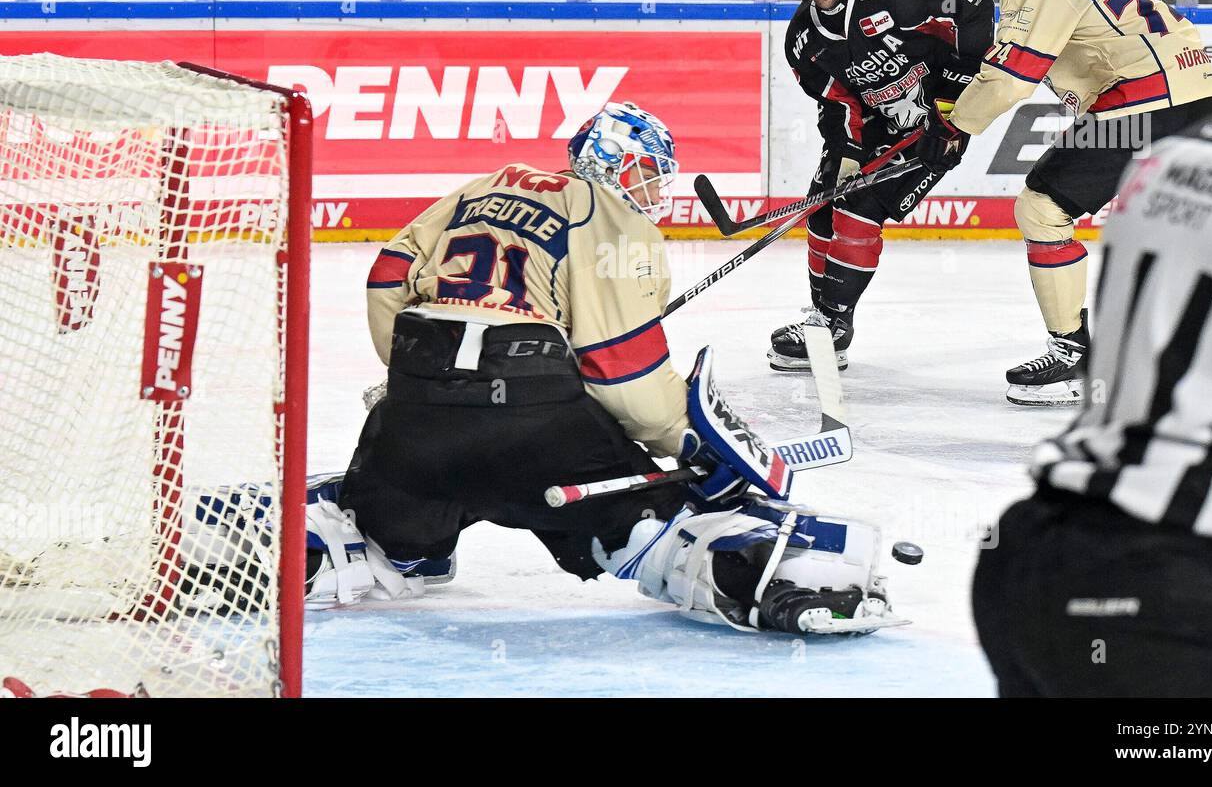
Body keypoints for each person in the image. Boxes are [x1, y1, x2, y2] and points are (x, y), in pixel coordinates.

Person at [302, 101, 904, 635]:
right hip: (530, 429)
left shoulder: (482, 185)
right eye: (646, 174)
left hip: (411, 418)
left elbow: (387, 275)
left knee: (382, 531)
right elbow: (625, 378)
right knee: (659, 531)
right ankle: (763, 575)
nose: (652, 193)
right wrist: (693, 445)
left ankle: (366, 541)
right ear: (612, 164)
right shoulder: (612, 217)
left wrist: (410, 377)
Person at [969, 0, 1212, 697]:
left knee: (1045, 211)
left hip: (1030, 560)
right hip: (1174, 603)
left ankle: (1064, 342)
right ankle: (1063, 345)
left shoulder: (1175, 165)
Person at [922, 0, 1212, 406]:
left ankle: (1071, 358)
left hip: (1144, 107)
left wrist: (953, 127)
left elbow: (1015, 73)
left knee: (1041, 207)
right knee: (1171, 223)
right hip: (1194, 93)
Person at [771, 0, 994, 371]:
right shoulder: (802, 40)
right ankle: (822, 319)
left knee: (859, 211)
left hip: (935, 127)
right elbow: (836, 101)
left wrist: (953, 110)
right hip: (874, 126)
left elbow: (976, 6)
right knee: (823, 207)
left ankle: (833, 323)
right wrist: (846, 153)